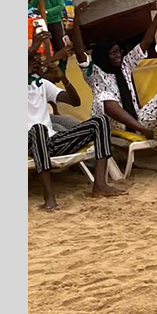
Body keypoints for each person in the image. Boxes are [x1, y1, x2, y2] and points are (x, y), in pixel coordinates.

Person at [28, 33, 126, 211]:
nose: (36, 61)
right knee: (38, 129)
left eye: (37, 59)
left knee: (100, 121)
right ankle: (49, 197)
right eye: (32, 59)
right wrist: (34, 47)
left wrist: (64, 78)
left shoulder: (41, 84)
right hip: (29, 141)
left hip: (51, 141)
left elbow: (74, 101)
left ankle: (100, 185)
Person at [90, 0, 157, 140]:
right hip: (114, 124)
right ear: (104, 56)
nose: (118, 56)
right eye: (113, 53)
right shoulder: (94, 72)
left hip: (137, 119)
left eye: (119, 52)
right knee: (104, 98)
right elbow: (80, 53)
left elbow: (146, 42)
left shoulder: (125, 64)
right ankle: (143, 130)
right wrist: (75, 22)